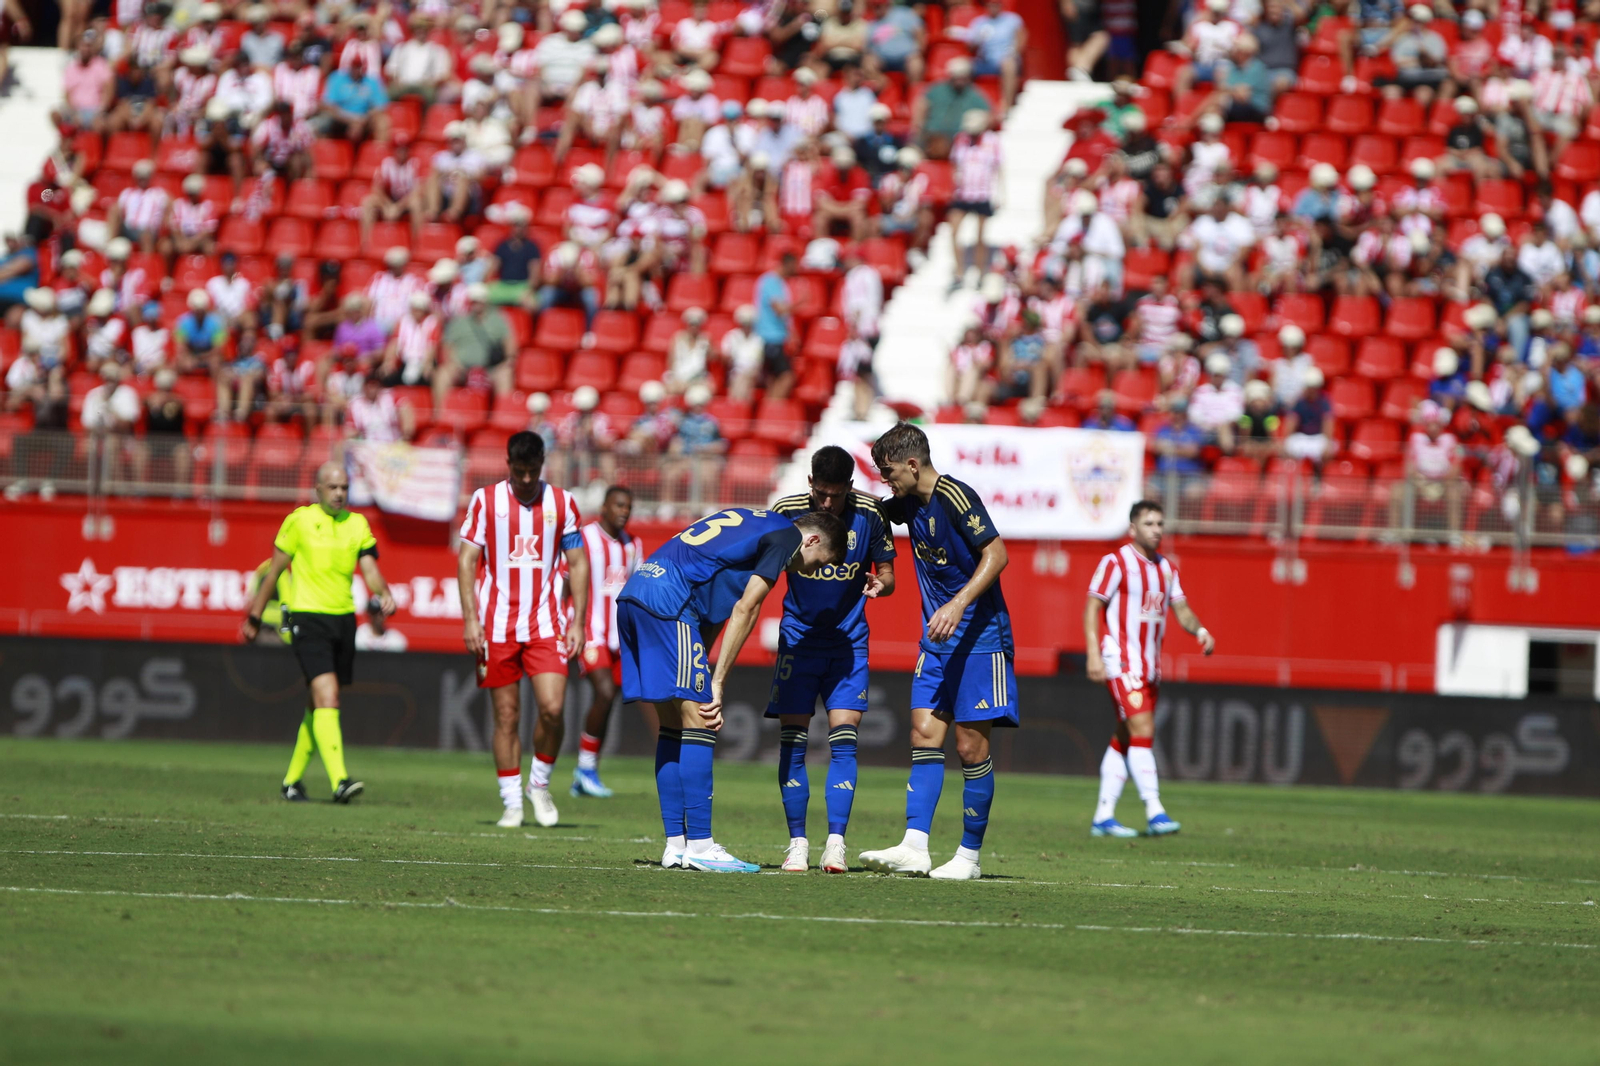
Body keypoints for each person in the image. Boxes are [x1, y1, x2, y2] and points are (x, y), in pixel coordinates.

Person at [618, 503, 846, 872]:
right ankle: (702, 844)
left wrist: (701, 670)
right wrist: (717, 683)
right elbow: (746, 609)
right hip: (670, 602)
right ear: (813, 539)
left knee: (673, 725)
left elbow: (713, 610)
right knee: (701, 720)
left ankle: (676, 845)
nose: (813, 570)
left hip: (637, 594)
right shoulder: (786, 539)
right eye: (820, 561)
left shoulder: (755, 523)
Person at [857, 422, 1014, 880]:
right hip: (937, 640)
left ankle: (968, 858)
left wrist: (957, 602)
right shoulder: (909, 504)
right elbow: (874, 513)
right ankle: (915, 846)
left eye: (887, 471)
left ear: (912, 463)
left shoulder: (955, 496)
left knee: (970, 748)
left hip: (980, 638)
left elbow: (998, 554)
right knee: (924, 733)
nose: (884, 480)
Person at [768, 445, 897, 873]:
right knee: (793, 742)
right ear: (810, 484)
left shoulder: (871, 514)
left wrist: (882, 583)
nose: (827, 503)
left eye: (836, 495)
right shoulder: (785, 511)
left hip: (848, 643)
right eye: (821, 494)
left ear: (850, 488)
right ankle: (798, 843)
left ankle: (836, 843)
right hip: (798, 642)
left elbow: (890, 574)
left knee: (844, 741)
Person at [457, 432, 589, 830]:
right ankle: (511, 801)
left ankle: (539, 784)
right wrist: (469, 618)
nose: (527, 479)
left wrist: (578, 621)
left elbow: (578, 563)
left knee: (552, 709)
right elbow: (467, 560)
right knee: (507, 716)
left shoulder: (562, 503)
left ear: (543, 465)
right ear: (508, 465)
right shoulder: (485, 501)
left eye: (534, 471)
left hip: (547, 623)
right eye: (520, 472)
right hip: (496, 624)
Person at [243, 462, 396, 804]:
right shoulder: (299, 520)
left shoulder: (357, 525)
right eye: (333, 488)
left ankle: (292, 782)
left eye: (344, 487)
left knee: (318, 705)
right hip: (307, 618)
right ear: (318, 490)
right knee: (328, 696)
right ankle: (340, 780)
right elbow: (274, 571)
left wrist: (383, 593)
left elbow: (370, 569)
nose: (340, 493)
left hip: (343, 620)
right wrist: (254, 615)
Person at [1085, 500, 1215, 837]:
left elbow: (1182, 610)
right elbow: (1091, 607)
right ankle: (1155, 810)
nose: (1157, 530)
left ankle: (1103, 817)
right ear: (1133, 529)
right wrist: (1093, 655)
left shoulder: (1167, 569)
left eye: (1160, 523)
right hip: (1122, 662)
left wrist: (1199, 630)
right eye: (1149, 523)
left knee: (1125, 736)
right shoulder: (1115, 563)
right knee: (1142, 727)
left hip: (1150, 667)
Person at [572, 485, 644, 799]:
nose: (623, 511)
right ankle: (584, 769)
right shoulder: (583, 537)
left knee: (610, 696)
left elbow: (638, 588)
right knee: (603, 690)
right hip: (589, 631)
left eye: (628, 506)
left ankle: (585, 772)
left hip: (619, 637)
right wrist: (568, 623)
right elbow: (566, 580)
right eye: (618, 505)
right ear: (604, 505)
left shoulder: (633, 544)